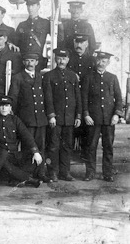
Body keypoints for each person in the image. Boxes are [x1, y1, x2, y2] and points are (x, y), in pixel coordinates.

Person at [81, 51, 123, 182]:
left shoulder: (112, 78)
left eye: (104, 61)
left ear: (108, 63)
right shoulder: (88, 77)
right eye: (99, 60)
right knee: (90, 146)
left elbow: (118, 99)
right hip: (93, 119)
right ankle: (90, 172)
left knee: (108, 147)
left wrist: (117, 114)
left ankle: (107, 173)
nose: (100, 63)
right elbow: (84, 98)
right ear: (95, 61)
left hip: (109, 119)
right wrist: (86, 114)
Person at [8, 52, 49, 182]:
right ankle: (27, 175)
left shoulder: (41, 77)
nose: (30, 63)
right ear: (24, 62)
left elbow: (46, 97)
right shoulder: (18, 77)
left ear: (37, 62)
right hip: (26, 118)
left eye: (32, 61)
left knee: (41, 146)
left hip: (40, 119)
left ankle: (41, 173)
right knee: (28, 147)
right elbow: (13, 98)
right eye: (27, 61)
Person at [43, 48, 82, 181]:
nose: (61, 61)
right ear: (55, 59)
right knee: (53, 145)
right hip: (56, 118)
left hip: (69, 118)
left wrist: (78, 116)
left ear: (68, 60)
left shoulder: (73, 76)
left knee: (67, 146)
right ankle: (52, 172)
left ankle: (65, 172)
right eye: (59, 58)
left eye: (64, 58)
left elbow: (78, 98)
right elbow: (48, 98)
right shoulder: (49, 76)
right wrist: (51, 115)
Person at [0, 96, 42, 188]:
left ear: (10, 107)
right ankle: (26, 179)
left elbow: (27, 136)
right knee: (1, 160)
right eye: (1, 105)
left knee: (35, 157)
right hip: (0, 155)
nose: (4, 108)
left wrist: (35, 152)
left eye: (6, 106)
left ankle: (16, 178)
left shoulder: (15, 120)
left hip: (14, 155)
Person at [67, 33, 95, 160]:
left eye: (82, 43)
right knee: (70, 129)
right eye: (77, 43)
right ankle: (69, 158)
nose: (79, 45)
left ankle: (85, 157)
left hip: (87, 97)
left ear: (87, 44)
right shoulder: (68, 59)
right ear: (73, 43)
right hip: (71, 96)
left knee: (87, 130)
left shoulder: (92, 60)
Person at [15, 0, 50, 69]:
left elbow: (58, 38)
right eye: (28, 6)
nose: (30, 8)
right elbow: (15, 43)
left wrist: (59, 24)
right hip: (23, 62)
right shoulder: (22, 25)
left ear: (38, 6)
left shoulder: (45, 23)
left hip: (38, 62)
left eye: (33, 5)